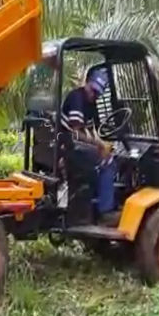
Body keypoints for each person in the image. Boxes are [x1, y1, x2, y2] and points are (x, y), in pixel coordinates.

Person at [58, 68, 115, 216]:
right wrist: (100, 145)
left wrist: (103, 143)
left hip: (73, 146)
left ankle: (95, 202)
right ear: (87, 83)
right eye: (92, 90)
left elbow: (92, 131)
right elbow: (76, 132)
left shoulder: (91, 104)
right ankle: (106, 212)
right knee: (108, 162)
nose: (93, 95)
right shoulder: (77, 98)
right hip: (66, 146)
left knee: (105, 154)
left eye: (97, 93)